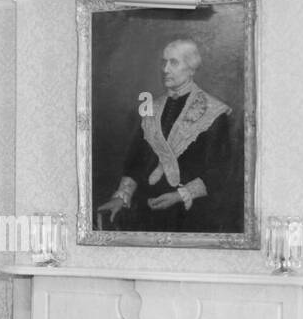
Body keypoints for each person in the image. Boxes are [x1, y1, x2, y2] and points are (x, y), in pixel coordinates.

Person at [96, 37, 239, 233]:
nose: (165, 69)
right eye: (164, 62)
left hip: (190, 212)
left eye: (174, 62)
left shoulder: (214, 111)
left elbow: (220, 171)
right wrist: (122, 196)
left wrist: (180, 196)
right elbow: (137, 159)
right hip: (146, 204)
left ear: (191, 68)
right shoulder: (151, 107)